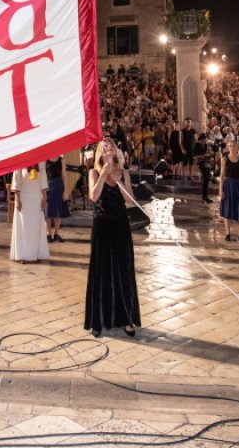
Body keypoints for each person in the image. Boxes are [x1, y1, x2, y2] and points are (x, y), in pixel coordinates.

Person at [84, 138, 141, 337]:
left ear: (116, 152)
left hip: (120, 224)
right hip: (101, 224)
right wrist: (104, 174)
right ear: (100, 153)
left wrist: (118, 180)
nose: (108, 150)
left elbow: (130, 200)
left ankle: (126, 318)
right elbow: (94, 196)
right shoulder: (93, 172)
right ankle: (98, 320)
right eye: (105, 148)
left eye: (111, 148)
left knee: (123, 269)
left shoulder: (124, 173)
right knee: (101, 270)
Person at [9, 164, 49, 263]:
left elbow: (43, 179)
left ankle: (34, 254)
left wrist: (44, 197)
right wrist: (17, 199)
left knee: (36, 227)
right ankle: (22, 255)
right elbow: (16, 180)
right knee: (24, 227)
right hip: (24, 198)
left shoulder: (40, 161)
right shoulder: (20, 160)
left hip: (37, 197)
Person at [218, 141, 239, 242]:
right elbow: (222, 175)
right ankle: (227, 234)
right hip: (228, 185)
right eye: (230, 146)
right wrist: (220, 190)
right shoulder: (224, 159)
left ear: (237, 147)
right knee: (227, 209)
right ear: (228, 147)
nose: (232, 147)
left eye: (234, 146)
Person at [44, 155, 66, 243]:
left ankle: (56, 233)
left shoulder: (62, 160)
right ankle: (48, 233)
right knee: (48, 211)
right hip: (48, 186)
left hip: (59, 186)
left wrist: (65, 191)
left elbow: (64, 176)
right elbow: (43, 176)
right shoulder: (45, 160)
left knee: (58, 211)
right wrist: (43, 190)